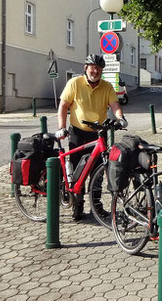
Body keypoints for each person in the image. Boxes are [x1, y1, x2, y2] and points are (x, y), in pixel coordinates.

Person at [55, 54, 128, 220]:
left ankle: (96, 206)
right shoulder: (75, 83)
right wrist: (61, 127)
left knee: (98, 172)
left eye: (99, 68)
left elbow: (114, 104)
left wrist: (120, 118)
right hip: (78, 133)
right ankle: (77, 206)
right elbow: (63, 106)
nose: (95, 71)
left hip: (98, 134)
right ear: (85, 68)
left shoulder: (107, 86)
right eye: (92, 67)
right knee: (77, 171)